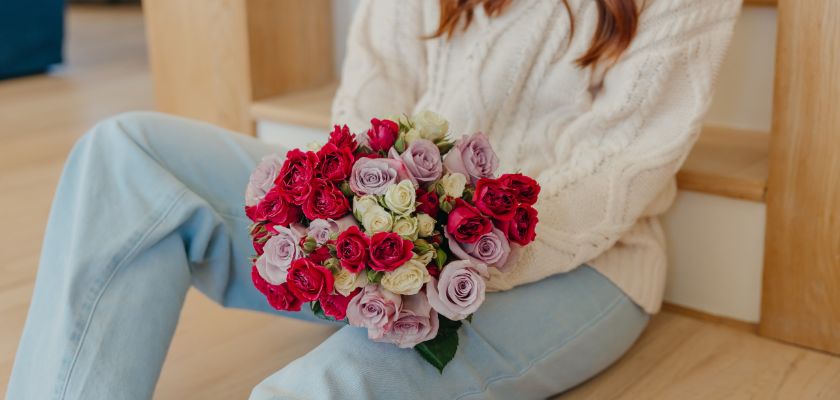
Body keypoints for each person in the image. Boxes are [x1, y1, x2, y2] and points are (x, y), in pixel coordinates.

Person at [7, 0, 741, 398]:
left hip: (588, 260)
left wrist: (440, 263)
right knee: (126, 154)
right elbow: (369, 103)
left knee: (327, 387)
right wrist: (356, 236)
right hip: (397, 238)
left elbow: (626, 165)